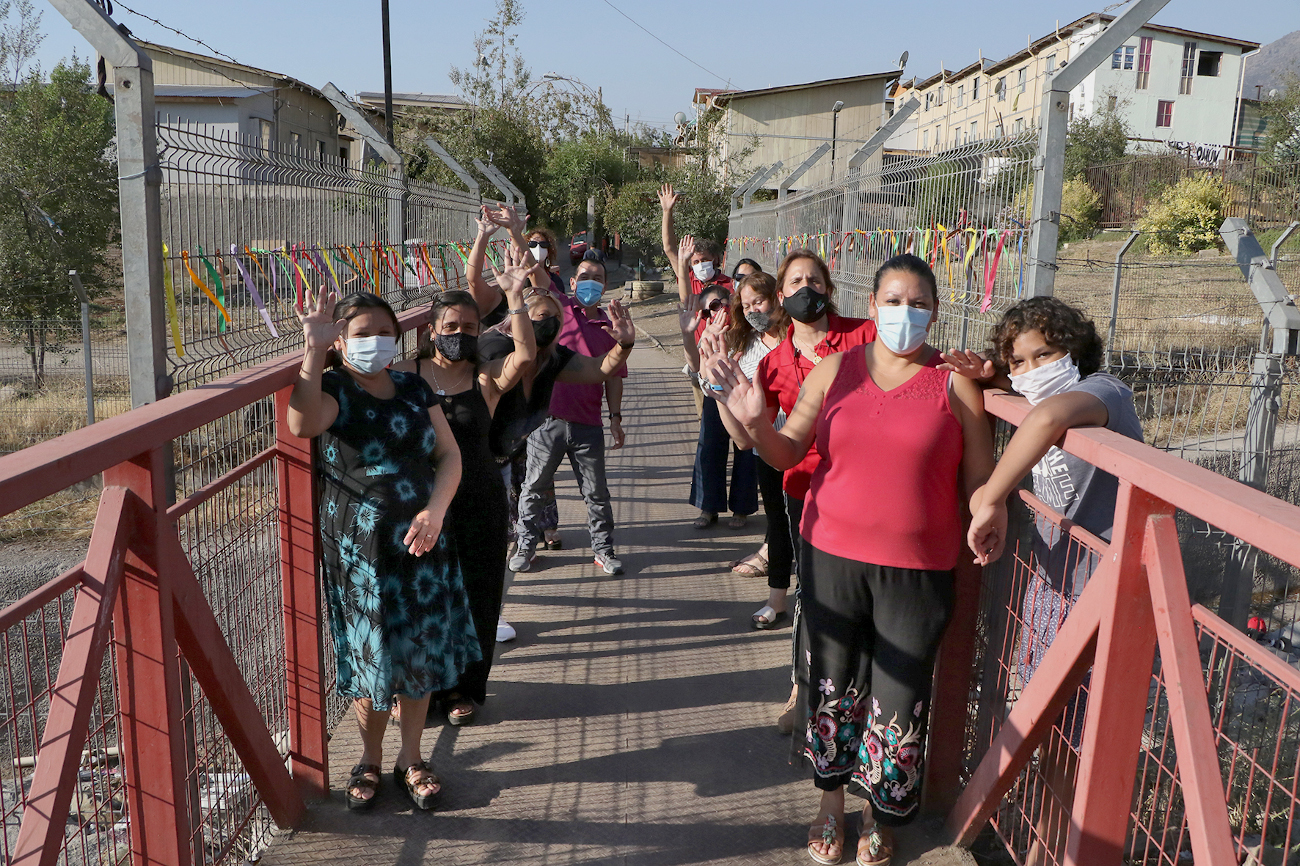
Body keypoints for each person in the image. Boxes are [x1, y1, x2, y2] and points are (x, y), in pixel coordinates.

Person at [708, 254, 995, 866]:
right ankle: (829, 803)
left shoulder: (955, 382)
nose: (905, 313)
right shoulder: (835, 369)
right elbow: (787, 453)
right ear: (872, 306)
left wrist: (987, 509)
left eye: (919, 303)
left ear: (936, 312)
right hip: (831, 557)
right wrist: (756, 424)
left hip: (920, 569)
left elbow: (979, 481)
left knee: (901, 691)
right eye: (893, 301)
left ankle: (880, 814)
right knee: (832, 683)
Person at [955, 297, 1142, 866]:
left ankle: (1048, 850)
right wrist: (994, 379)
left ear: (1075, 352)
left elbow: (1045, 418)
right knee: (1048, 730)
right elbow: (1026, 402)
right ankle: (1040, 841)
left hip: (1101, 596)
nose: (1034, 369)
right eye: (1020, 360)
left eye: (1046, 354)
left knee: (1072, 742)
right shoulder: (1033, 394)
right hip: (1050, 592)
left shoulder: (1107, 393)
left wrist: (991, 499)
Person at [288, 290, 477, 812]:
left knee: (417, 650)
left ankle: (410, 759)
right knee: (369, 653)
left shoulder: (415, 387)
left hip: (422, 542)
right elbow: (302, 424)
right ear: (341, 341)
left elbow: (449, 455)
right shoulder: (333, 387)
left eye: (384, 332)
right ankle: (369, 759)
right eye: (362, 333)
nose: (375, 341)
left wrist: (435, 512)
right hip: (360, 552)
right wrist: (313, 351)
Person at [708, 250, 877, 731]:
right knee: (814, 593)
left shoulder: (866, 336)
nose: (807, 288)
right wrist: (720, 394)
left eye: (815, 280)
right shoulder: (773, 363)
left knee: (866, 596)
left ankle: (867, 705)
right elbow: (748, 439)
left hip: (868, 488)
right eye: (796, 281)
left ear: (829, 288)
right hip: (807, 489)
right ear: (781, 296)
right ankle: (801, 692)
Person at [390, 246, 539, 727]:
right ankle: (414, 685)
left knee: (476, 593)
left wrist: (515, 297)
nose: (459, 335)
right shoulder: (404, 375)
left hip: (477, 498)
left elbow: (526, 354)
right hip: (418, 502)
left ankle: (462, 688)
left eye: (469, 328)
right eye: (450, 326)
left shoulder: (485, 378)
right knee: (419, 595)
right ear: (431, 330)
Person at [513, 255, 629, 576]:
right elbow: (536, 273)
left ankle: (603, 551)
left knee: (596, 493)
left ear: (605, 285)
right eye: (584, 276)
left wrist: (615, 418)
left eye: (598, 277)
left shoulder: (609, 328)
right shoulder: (559, 308)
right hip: (546, 421)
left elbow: (614, 376)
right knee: (533, 488)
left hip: (588, 424)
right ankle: (526, 546)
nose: (591, 282)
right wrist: (515, 235)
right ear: (572, 282)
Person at [701, 270, 794, 628]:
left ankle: (815, 597)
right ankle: (777, 600)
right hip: (768, 451)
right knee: (778, 524)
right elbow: (742, 439)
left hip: (810, 449)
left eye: (760, 301)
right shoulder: (746, 350)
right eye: (747, 304)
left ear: (778, 298)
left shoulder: (799, 338)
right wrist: (717, 389)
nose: (755, 309)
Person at [679, 270, 757, 530]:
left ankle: (742, 509)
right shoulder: (708, 334)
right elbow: (696, 369)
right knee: (709, 449)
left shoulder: (748, 329)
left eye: (717, 305)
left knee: (746, 452)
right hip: (716, 396)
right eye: (707, 311)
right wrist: (696, 337)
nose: (715, 313)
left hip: (745, 396)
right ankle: (708, 506)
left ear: (730, 303)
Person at [660, 182, 731, 416]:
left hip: (728, 356)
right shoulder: (687, 278)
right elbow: (669, 247)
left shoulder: (730, 284)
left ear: (716, 259)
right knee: (706, 417)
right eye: (696, 261)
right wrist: (667, 212)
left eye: (705, 260)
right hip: (699, 358)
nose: (701, 265)